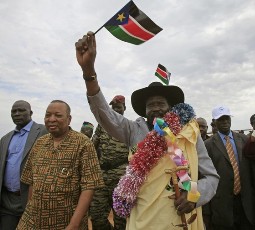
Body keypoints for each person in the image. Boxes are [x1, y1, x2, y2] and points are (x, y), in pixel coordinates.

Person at [75, 31, 219, 230]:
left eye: (161, 103)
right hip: (143, 221)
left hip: (181, 219)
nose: (156, 108)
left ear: (171, 108)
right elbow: (103, 112)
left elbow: (211, 177)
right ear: (145, 111)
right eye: (151, 105)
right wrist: (88, 72)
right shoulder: (134, 130)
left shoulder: (189, 134)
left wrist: (194, 195)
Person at [16, 100, 104, 230]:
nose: (51, 119)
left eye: (58, 115)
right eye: (48, 115)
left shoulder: (83, 144)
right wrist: (30, 211)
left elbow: (89, 187)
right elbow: (31, 181)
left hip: (66, 221)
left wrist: (74, 224)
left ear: (69, 119)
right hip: (33, 221)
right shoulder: (40, 143)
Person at [204, 106, 255, 230]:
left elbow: (254, 175)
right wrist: (206, 213)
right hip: (221, 209)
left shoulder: (245, 140)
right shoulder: (208, 145)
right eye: (221, 119)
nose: (225, 122)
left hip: (247, 207)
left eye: (227, 118)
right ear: (214, 122)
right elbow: (205, 178)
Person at [0, 100, 47, 230]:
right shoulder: (5, 138)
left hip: (32, 199)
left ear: (30, 113)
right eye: (13, 111)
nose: (17, 114)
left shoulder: (44, 131)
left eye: (21, 110)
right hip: (7, 201)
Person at [90, 95, 129, 230]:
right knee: (96, 217)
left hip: (121, 176)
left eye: (119, 107)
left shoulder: (129, 126)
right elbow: (92, 147)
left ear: (124, 108)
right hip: (101, 176)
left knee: (121, 219)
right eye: (113, 107)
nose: (115, 110)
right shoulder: (102, 125)